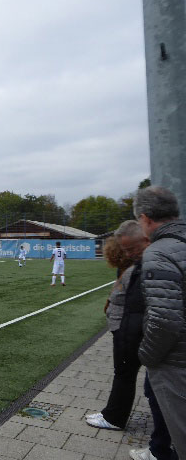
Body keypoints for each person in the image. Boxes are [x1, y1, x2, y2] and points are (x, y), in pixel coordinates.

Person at [134, 186, 186, 460]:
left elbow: (165, 321)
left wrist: (147, 356)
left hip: (177, 363)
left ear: (145, 218)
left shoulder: (159, 251)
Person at [85, 222, 148, 431]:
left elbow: (135, 303)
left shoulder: (136, 269)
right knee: (123, 373)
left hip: (128, 328)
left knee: (124, 373)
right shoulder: (131, 268)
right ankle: (111, 413)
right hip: (126, 326)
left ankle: (114, 418)